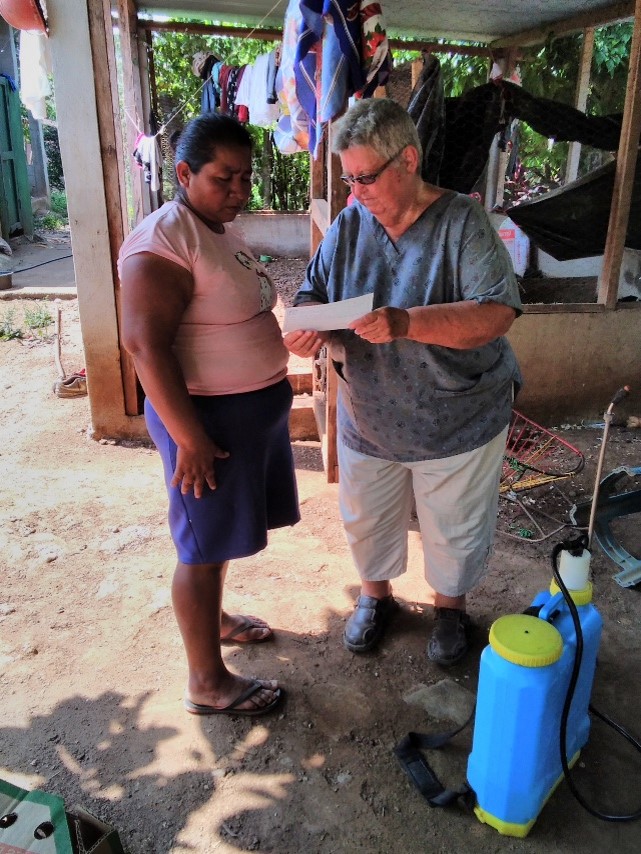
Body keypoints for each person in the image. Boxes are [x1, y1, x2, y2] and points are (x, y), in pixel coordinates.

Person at [284, 98, 522, 667]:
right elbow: (312, 293)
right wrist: (306, 326)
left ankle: (450, 608)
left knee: (454, 525)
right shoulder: (350, 223)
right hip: (371, 414)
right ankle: (376, 598)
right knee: (367, 516)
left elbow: (496, 314)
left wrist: (407, 321)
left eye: (365, 177)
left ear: (408, 160)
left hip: (456, 417)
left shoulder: (462, 223)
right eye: (348, 179)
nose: (354, 192)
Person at [118, 113, 299, 715]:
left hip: (243, 417)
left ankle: (216, 621)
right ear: (184, 173)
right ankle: (206, 683)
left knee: (214, 538)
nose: (240, 192)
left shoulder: (217, 229)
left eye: (246, 178)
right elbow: (144, 344)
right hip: (206, 425)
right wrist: (188, 437)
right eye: (225, 179)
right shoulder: (164, 239)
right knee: (198, 547)